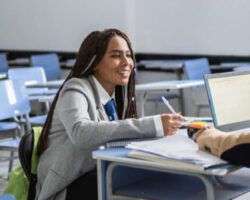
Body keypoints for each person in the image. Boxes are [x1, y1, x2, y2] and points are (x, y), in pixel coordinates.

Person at [36, 28, 184, 200]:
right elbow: (81, 132)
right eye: (116, 55)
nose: (126, 62)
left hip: (94, 172)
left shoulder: (115, 97)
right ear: (95, 62)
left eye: (128, 55)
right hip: (66, 185)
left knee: (146, 179)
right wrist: (152, 125)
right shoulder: (74, 89)